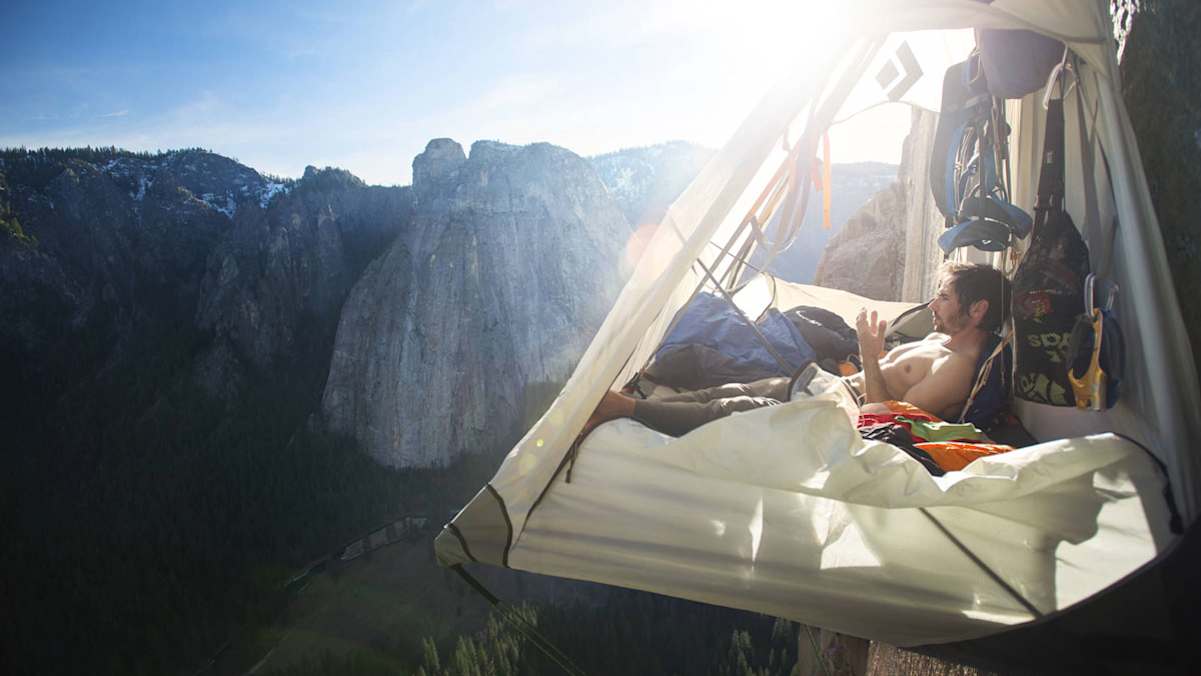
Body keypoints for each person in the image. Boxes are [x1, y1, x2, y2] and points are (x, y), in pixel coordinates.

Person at [585, 262, 1010, 437]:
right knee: (730, 388)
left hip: (840, 411)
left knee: (732, 410)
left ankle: (620, 411)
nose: (933, 305)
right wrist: (866, 354)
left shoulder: (957, 369)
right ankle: (622, 405)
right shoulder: (939, 340)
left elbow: (886, 420)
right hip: (828, 385)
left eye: (944, 299)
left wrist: (870, 352)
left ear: (978, 310)